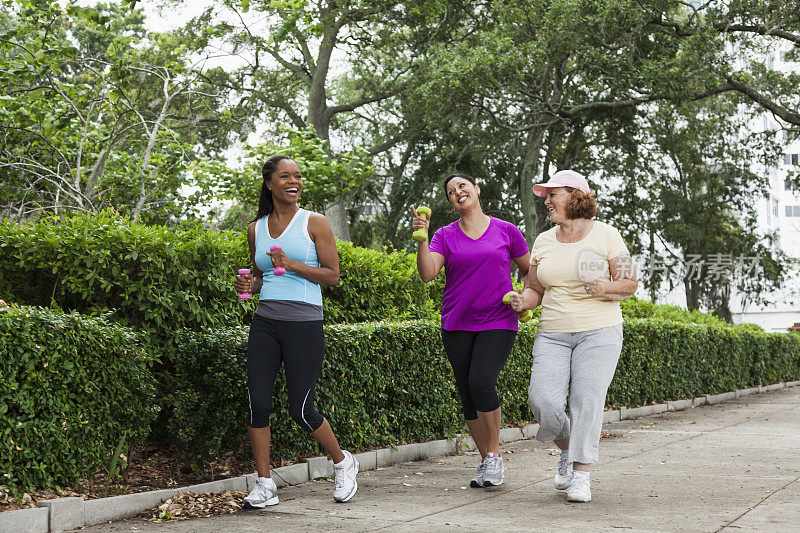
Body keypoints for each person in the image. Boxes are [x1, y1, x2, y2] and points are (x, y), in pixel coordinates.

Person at [234, 155, 358, 507]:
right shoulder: (255, 228)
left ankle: (342, 462)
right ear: (269, 183)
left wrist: (291, 264)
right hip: (265, 323)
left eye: (298, 176)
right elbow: (265, 277)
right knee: (257, 402)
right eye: (285, 176)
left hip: (304, 323)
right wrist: (250, 282)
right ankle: (264, 484)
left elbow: (333, 275)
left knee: (301, 408)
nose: (294, 181)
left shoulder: (314, 222)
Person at [509, 169, 638, 503]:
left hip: (599, 331)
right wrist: (524, 301)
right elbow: (535, 288)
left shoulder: (606, 234)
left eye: (553, 194)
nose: (547, 201)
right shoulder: (543, 240)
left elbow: (629, 284)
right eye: (546, 196)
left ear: (575, 196)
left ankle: (581, 474)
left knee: (586, 401)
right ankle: (567, 448)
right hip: (552, 333)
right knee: (543, 401)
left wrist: (603, 287)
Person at [413, 173, 530, 488]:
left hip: (498, 319)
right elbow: (428, 274)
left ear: (477, 189)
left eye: (462, 186)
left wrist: (526, 299)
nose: (457, 192)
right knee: (467, 392)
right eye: (451, 191)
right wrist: (422, 239)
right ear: (451, 203)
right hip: (456, 323)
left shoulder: (506, 230)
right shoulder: (444, 235)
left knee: (481, 381)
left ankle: (493, 456)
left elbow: (530, 271)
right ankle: (487, 461)